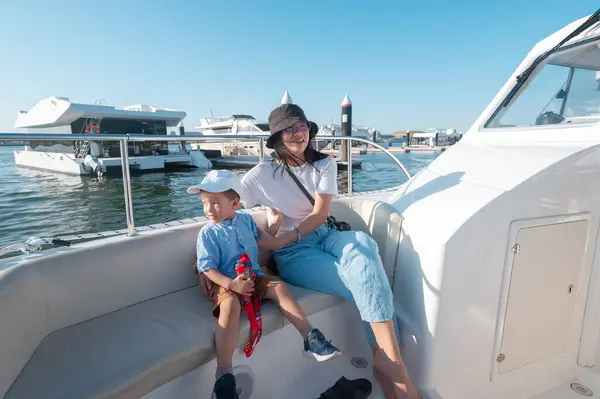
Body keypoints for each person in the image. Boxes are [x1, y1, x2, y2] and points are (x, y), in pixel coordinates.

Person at [236, 103, 420, 399]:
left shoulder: (324, 163)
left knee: (363, 246)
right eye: (289, 129)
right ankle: (394, 371)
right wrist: (267, 239)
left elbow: (319, 215)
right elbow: (228, 208)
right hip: (294, 252)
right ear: (277, 137)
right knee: (367, 282)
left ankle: (388, 362)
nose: (298, 133)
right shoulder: (260, 174)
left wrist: (281, 238)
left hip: (324, 232)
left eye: (302, 126)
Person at [188, 169, 341, 399]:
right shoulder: (207, 233)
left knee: (278, 286)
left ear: (236, 203)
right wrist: (232, 284)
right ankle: (224, 376)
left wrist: (278, 220)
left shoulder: (246, 221)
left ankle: (311, 338)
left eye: (215, 203)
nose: (209, 209)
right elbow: (208, 268)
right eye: (205, 203)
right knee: (230, 307)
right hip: (227, 282)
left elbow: (264, 241)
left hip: (253, 277)